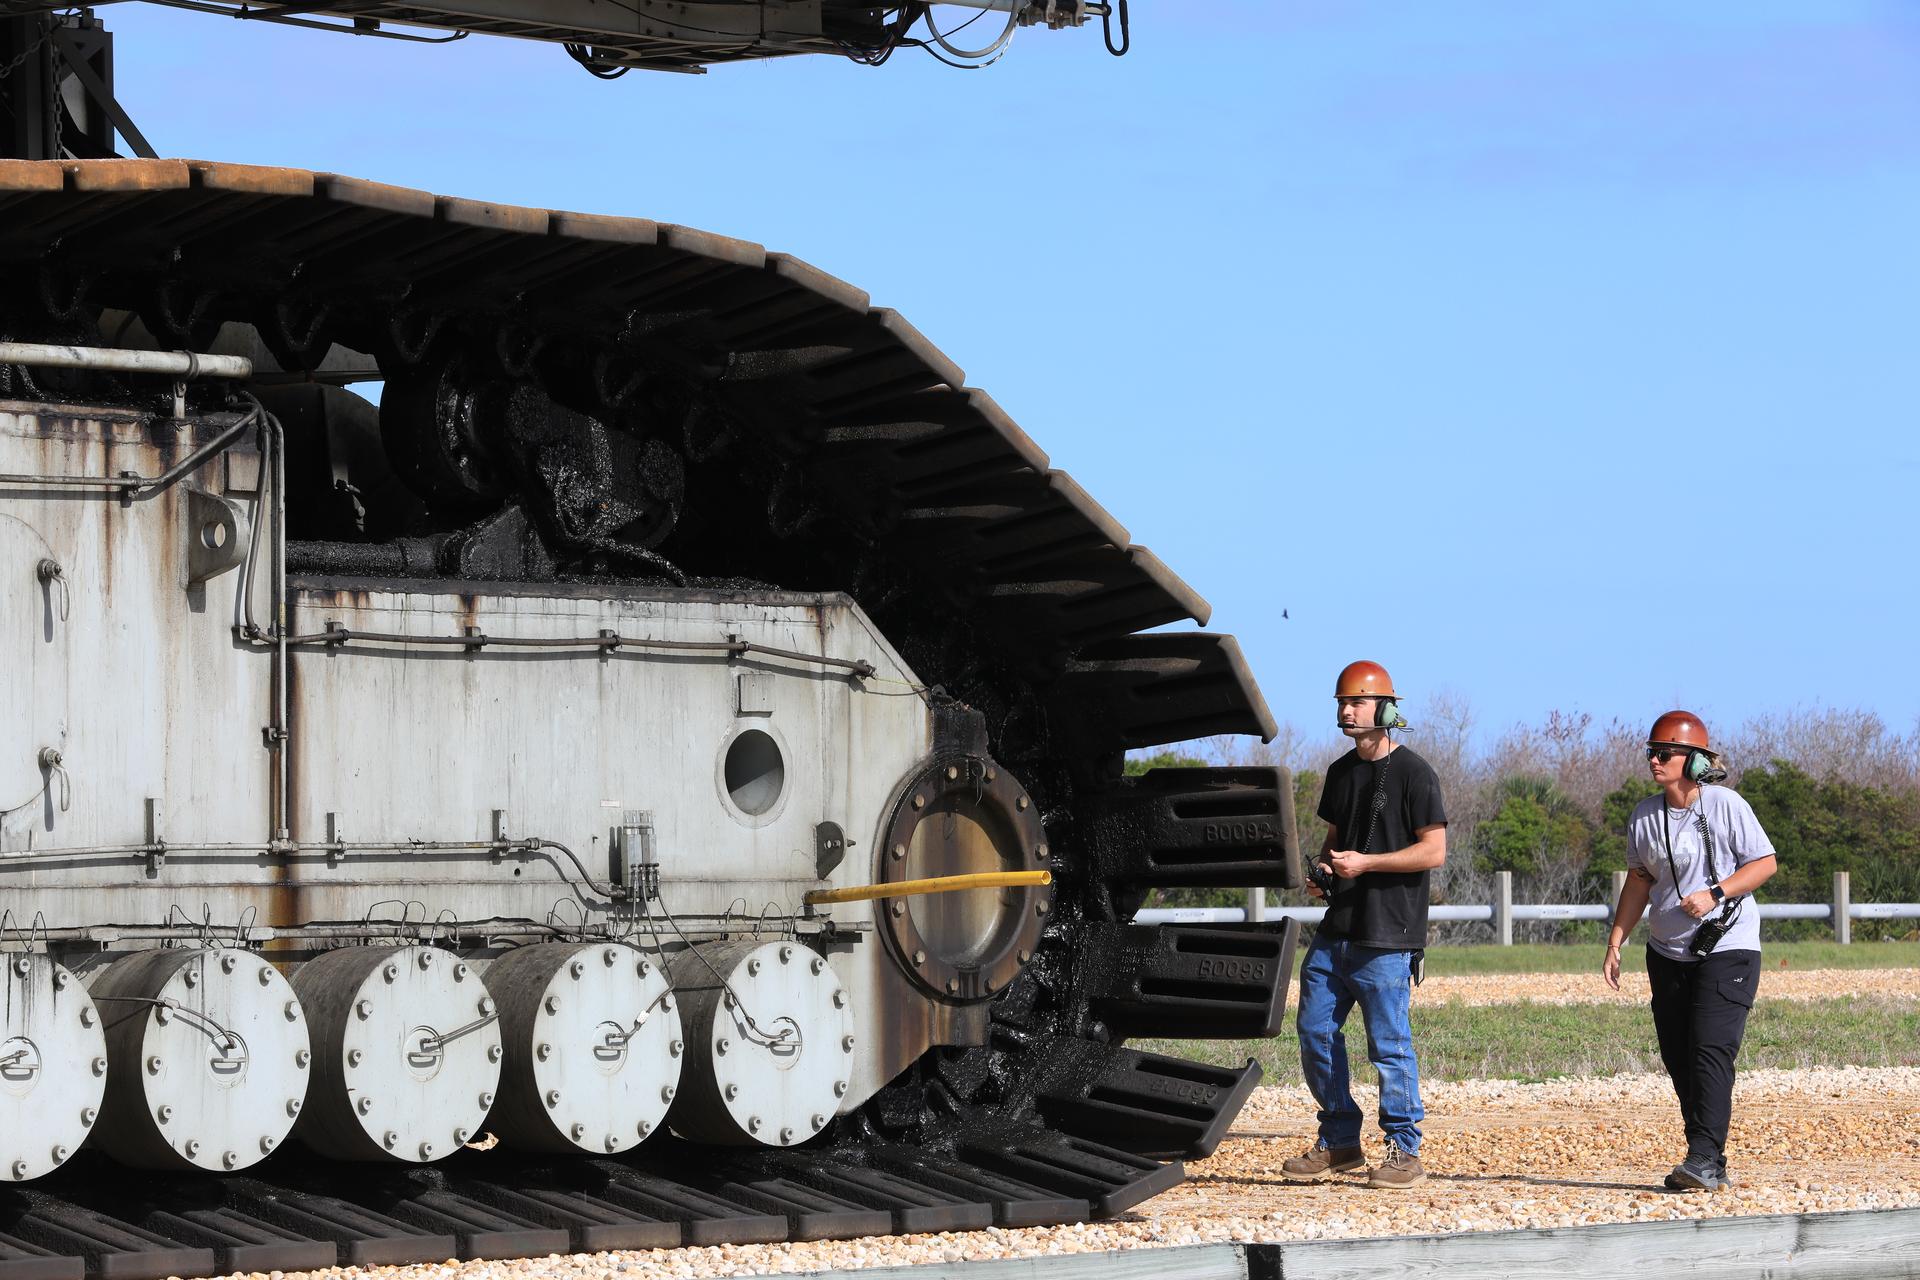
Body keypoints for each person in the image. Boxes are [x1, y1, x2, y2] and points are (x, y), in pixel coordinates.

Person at [1281, 660, 1447, 1190]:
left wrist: (1368, 864)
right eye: (1340, 703)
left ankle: (1404, 1150)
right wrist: (1327, 869)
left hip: (1387, 936)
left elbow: (1434, 851)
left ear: (1388, 710)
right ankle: (1340, 1141)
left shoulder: (1417, 774)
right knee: (1313, 1030)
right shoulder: (1339, 772)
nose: (1346, 711)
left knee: (1389, 1045)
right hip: (1338, 930)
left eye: (1355, 701)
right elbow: (1335, 839)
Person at [1603, 710, 1778, 1191]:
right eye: (1651, 753)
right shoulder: (1643, 814)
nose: (1655, 761)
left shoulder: (1725, 805)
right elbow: (1639, 881)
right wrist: (1617, 938)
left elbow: (1764, 863)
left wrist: (1717, 893)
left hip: (1729, 946)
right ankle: (1707, 1158)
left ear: (1693, 760)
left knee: (1709, 1050)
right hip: (1667, 951)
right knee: (1678, 1055)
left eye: (1665, 753)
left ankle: (1702, 1156)